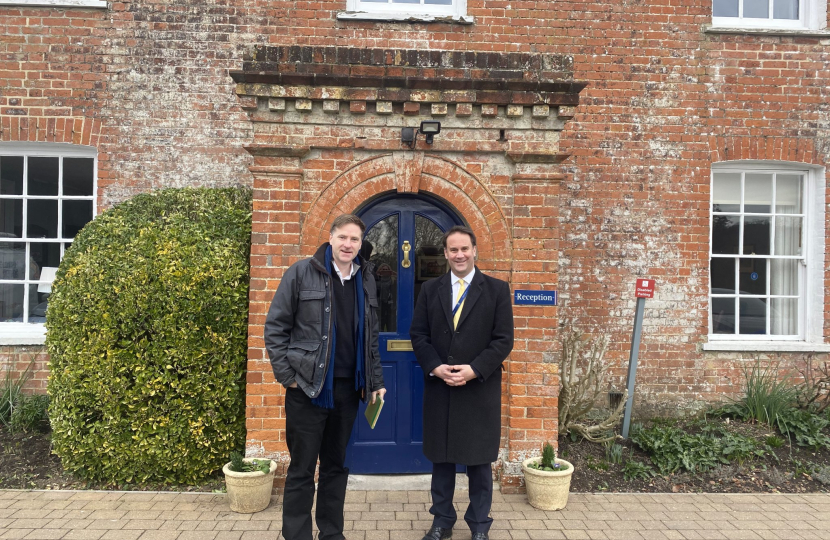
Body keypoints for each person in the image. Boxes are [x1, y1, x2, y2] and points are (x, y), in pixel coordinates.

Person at [265, 214, 386, 540]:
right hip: (308, 389)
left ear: (361, 244)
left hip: (348, 391)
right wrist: (287, 376)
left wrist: (376, 381)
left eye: (355, 239)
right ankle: (297, 535)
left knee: (336, 467)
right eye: (343, 238)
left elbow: (370, 338)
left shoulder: (366, 279)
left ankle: (331, 533)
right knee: (303, 470)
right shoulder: (302, 273)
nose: (348, 244)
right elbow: (276, 327)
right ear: (331, 238)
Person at [409, 225, 514, 540]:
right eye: (453, 250)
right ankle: (442, 521)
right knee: (441, 462)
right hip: (441, 388)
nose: (459, 255)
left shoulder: (496, 289)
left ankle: (480, 525)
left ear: (475, 250)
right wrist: (435, 367)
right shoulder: (430, 290)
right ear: (445, 254)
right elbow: (419, 335)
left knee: (479, 464)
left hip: (479, 390)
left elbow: (503, 340)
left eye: (464, 249)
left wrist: (475, 369)